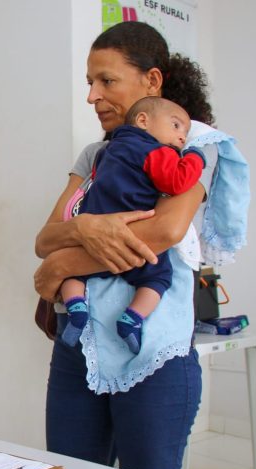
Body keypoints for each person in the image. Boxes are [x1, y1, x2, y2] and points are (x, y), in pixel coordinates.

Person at [33, 21, 234, 469]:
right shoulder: (94, 155)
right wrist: (83, 225)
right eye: (89, 82)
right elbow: (44, 238)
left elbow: (163, 230)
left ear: (152, 81)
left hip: (154, 355)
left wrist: (63, 264)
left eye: (107, 80)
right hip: (77, 349)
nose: (92, 96)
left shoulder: (191, 147)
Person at [59, 97, 206, 354]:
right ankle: (132, 319)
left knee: (72, 274)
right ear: (143, 121)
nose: (182, 137)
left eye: (185, 132)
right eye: (176, 126)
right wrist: (195, 157)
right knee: (158, 277)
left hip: (93, 231)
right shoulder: (155, 152)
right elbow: (176, 181)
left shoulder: (106, 151)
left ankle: (76, 308)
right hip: (130, 232)